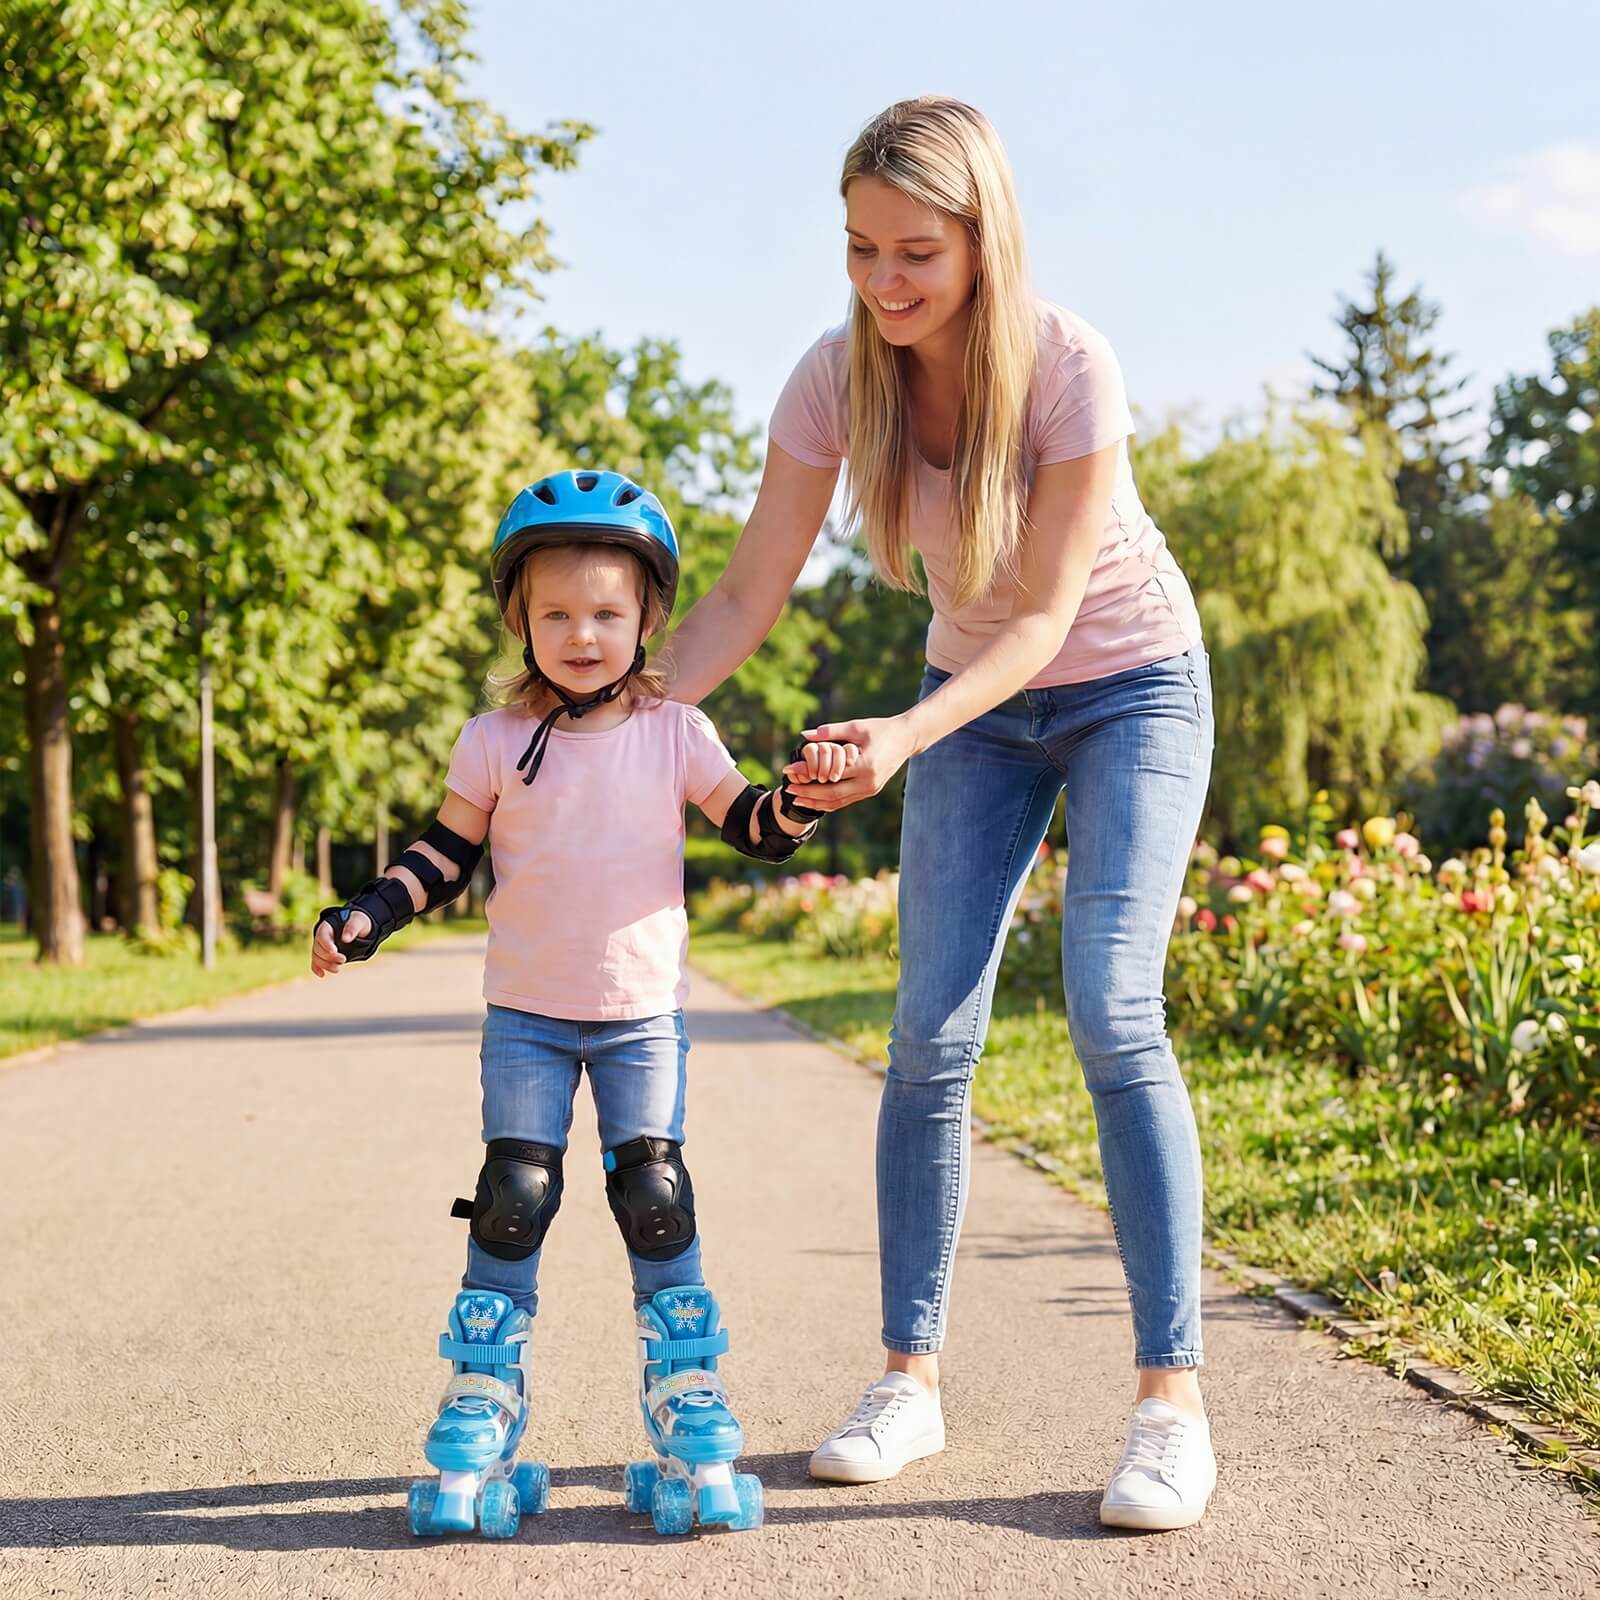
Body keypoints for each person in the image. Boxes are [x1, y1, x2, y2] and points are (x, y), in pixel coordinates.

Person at [660, 99, 1217, 1531]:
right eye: (860, 249)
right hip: (968, 703)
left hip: (1126, 690)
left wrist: (903, 735)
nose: (883, 282)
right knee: (927, 1034)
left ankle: (1170, 1406)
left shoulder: (1068, 367)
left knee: (1113, 1004)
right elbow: (740, 597)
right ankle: (908, 1379)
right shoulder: (834, 384)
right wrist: (597, 705)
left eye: (916, 252)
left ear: (984, 239)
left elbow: (1034, 623)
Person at [311, 468, 855, 1537]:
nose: (582, 633)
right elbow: (445, 853)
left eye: (607, 612)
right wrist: (371, 911)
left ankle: (685, 1396)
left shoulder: (675, 729)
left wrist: (793, 801)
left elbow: (745, 820)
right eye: (554, 612)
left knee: (654, 1191)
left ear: (648, 616)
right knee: (514, 1190)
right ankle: (482, 1394)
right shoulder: (491, 739)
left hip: (641, 1014)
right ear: (520, 619)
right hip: (527, 1012)